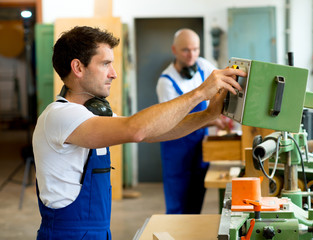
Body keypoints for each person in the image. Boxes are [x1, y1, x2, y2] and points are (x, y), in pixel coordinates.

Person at [32, 26, 244, 239]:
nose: (113, 74)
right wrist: (199, 93)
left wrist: (208, 115)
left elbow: (155, 132)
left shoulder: (91, 116)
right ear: (78, 67)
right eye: (105, 64)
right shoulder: (60, 116)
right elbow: (136, 130)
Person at [156, 28, 226, 214]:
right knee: (177, 203)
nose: (191, 55)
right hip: (176, 147)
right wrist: (211, 120)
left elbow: (221, 86)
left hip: (198, 144)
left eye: (195, 49)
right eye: (186, 50)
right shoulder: (166, 81)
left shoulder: (203, 66)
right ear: (174, 50)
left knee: (196, 200)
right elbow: (171, 122)